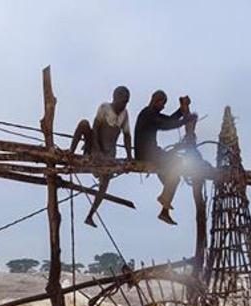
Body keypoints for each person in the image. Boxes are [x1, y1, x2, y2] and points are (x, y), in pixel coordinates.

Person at [67, 85, 134, 226]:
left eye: (127, 102)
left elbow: (127, 136)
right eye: (123, 101)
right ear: (115, 98)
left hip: (109, 153)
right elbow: (95, 128)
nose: (124, 104)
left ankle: (90, 215)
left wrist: (129, 156)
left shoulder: (124, 114)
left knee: (104, 185)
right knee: (84, 124)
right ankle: (70, 153)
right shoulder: (104, 108)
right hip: (95, 147)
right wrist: (97, 151)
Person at [132, 90, 197, 225]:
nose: (163, 107)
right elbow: (166, 125)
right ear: (156, 100)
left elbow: (169, 120)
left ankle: (164, 211)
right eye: (162, 104)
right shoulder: (147, 114)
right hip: (146, 155)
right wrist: (187, 119)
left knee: (174, 179)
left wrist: (181, 110)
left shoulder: (152, 114)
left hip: (152, 153)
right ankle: (164, 199)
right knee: (177, 161)